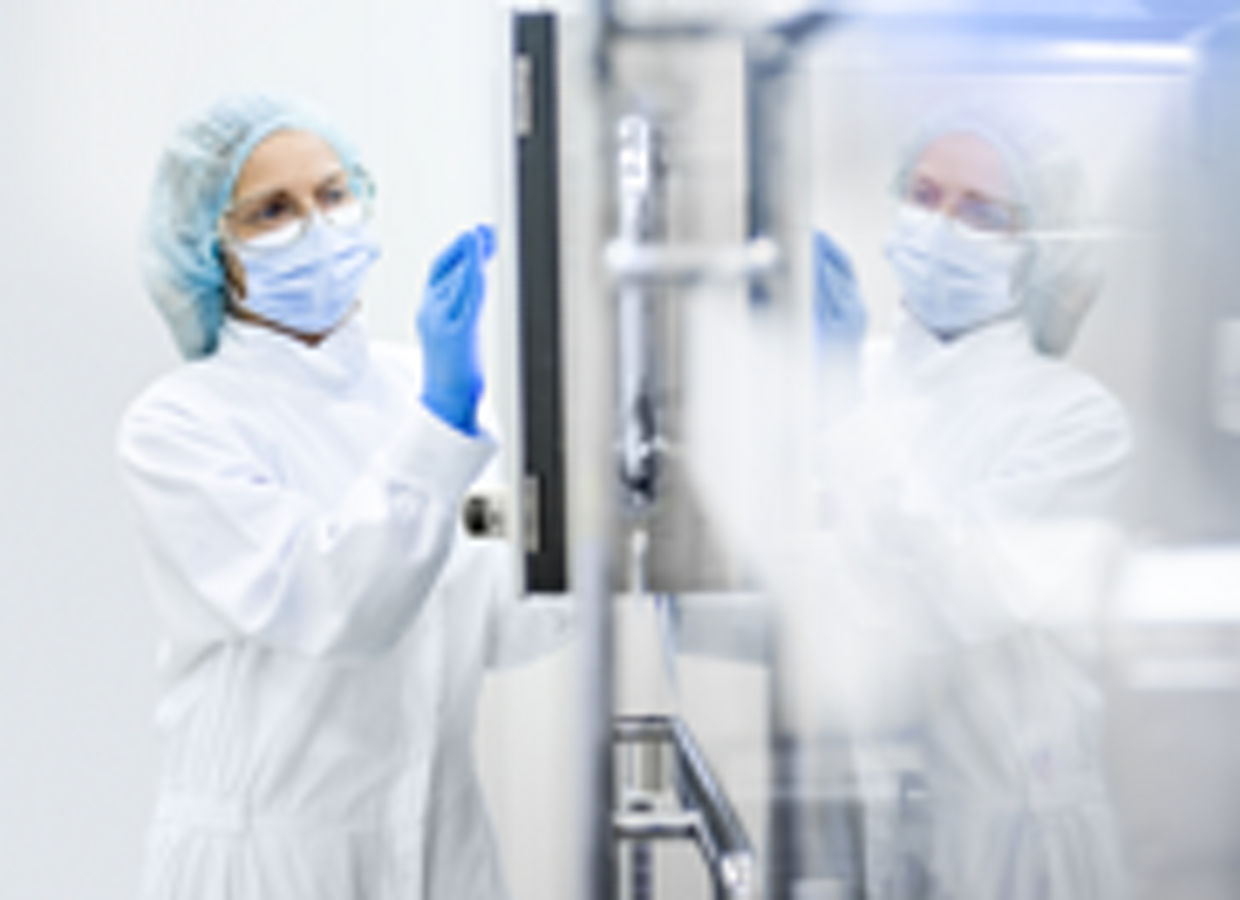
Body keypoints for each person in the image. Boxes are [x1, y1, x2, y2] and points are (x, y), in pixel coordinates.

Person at [117, 94, 571, 900]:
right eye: (271, 212)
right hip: (264, 860)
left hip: (443, 848)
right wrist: (441, 424)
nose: (318, 227)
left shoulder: (423, 391)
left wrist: (608, 533)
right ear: (210, 250)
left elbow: (499, 624)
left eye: (332, 194)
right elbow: (340, 603)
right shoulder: (181, 426)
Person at [809, 104, 1133, 899]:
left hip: (1017, 847)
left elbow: (953, 594)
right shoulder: (860, 381)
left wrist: (841, 419)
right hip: (861, 836)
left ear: (1040, 251)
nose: (940, 227)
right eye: (923, 196)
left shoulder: (1077, 420)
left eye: (982, 212)